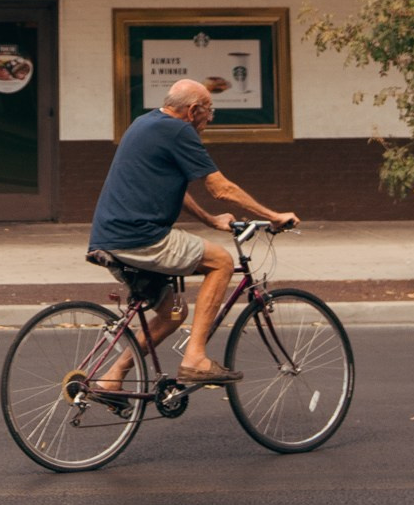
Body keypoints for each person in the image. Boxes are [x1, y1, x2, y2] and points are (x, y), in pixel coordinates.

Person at [87, 75, 298, 385]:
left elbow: (176, 190)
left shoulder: (145, 123)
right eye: (209, 111)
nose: (209, 119)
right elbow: (221, 189)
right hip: (142, 238)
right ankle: (195, 358)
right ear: (193, 110)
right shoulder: (179, 131)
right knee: (221, 261)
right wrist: (273, 216)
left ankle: (112, 377)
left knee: (173, 313)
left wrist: (211, 221)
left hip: (111, 237)